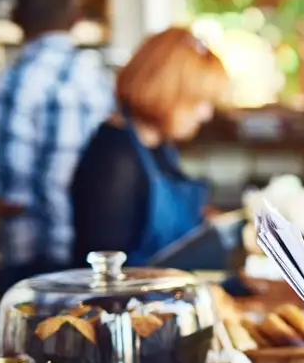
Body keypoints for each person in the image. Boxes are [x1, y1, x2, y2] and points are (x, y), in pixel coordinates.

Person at [0, 0, 114, 287]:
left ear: (15, 16)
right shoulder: (95, 75)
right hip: (90, 247)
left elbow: (9, 194)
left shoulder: (16, 78)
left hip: (35, 255)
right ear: (77, 18)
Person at [70, 27, 228, 266]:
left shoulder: (159, 145)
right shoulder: (115, 159)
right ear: (165, 91)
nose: (205, 114)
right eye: (198, 101)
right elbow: (108, 279)